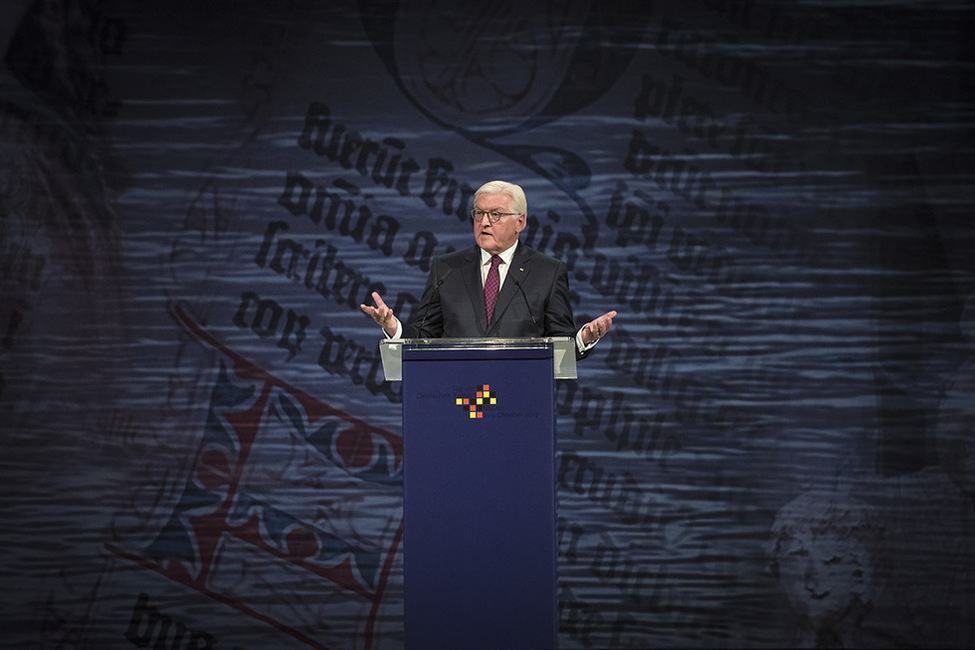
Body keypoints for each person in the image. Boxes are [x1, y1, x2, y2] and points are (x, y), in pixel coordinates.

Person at [360, 180, 616, 356]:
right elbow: (424, 335)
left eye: (495, 215)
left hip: (521, 399)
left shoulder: (548, 272)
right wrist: (393, 328)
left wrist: (584, 338)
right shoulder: (447, 269)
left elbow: (562, 344)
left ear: (520, 221)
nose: (484, 222)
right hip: (458, 395)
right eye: (479, 213)